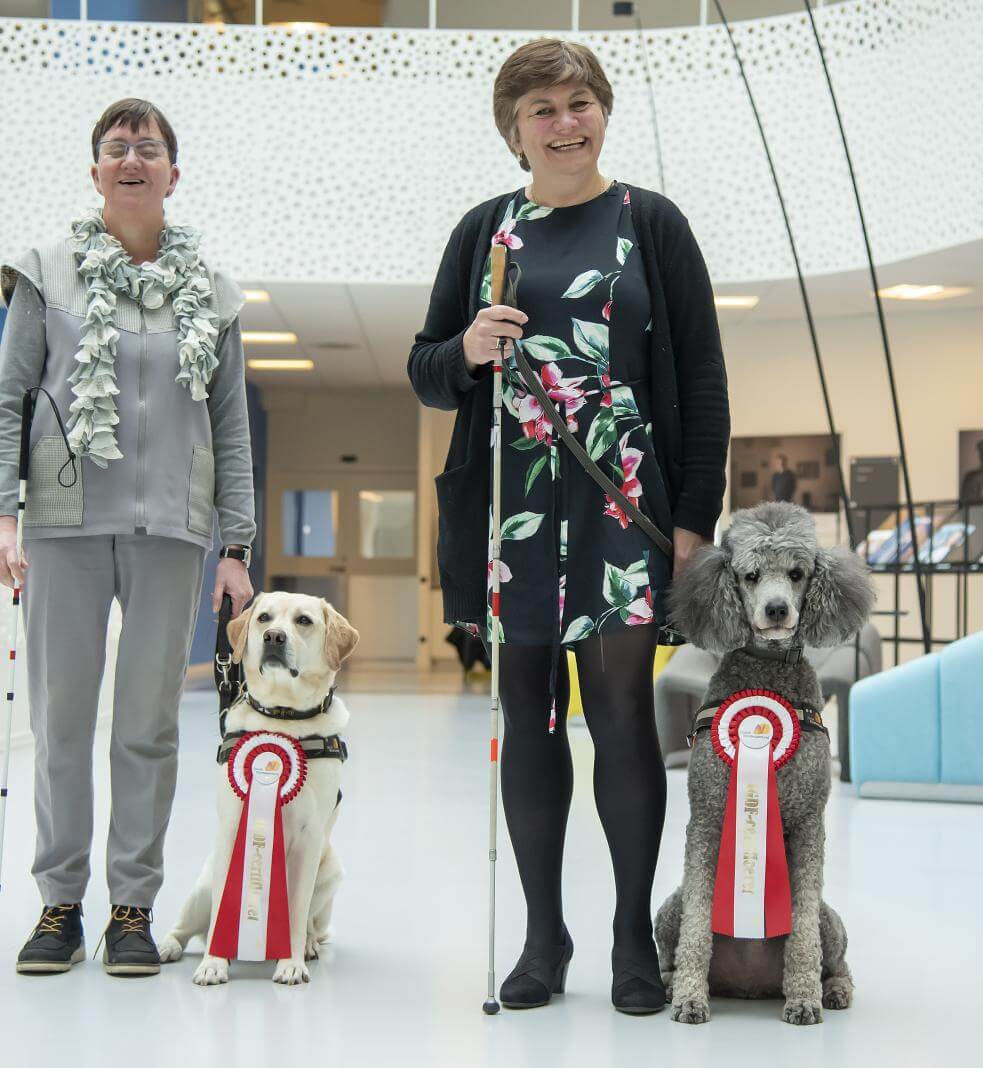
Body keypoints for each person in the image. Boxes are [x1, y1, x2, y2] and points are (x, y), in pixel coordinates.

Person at [407, 38, 729, 1015]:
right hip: (514, 507)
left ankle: (634, 937)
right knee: (530, 715)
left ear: (603, 112)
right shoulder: (483, 233)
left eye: (578, 101)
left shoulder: (650, 224)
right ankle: (544, 936)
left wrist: (690, 520)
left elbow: (704, 381)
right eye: (541, 108)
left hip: (622, 506)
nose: (563, 121)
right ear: (514, 129)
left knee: (625, 715)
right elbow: (426, 371)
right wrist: (464, 347)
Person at [0, 98, 256, 978]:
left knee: (146, 727)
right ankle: (59, 904)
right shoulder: (44, 274)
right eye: (115, 148)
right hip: (63, 528)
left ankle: (132, 908)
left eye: (149, 148)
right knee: (63, 724)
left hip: (172, 532)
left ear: (174, 173)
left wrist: (238, 546)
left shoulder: (212, 292)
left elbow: (231, 425)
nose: (132, 159)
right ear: (94, 170)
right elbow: (9, 398)